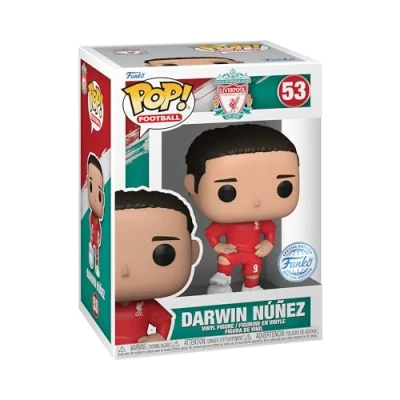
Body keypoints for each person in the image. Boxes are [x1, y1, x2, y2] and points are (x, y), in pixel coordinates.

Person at [185, 124, 300, 294]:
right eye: (227, 192)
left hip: (253, 253)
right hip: (232, 251)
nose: (257, 201)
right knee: (225, 261)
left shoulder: (260, 221)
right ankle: (221, 282)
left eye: (283, 188)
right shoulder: (226, 223)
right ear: (192, 185)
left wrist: (268, 243)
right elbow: (211, 233)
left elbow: (270, 230)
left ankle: (251, 287)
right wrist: (219, 246)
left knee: (254, 272)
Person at [115, 189, 201, 344]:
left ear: (192, 253)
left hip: (138, 348)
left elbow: (164, 320)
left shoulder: (146, 306)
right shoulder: (103, 303)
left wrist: (159, 337)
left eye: (163, 254)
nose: (125, 271)